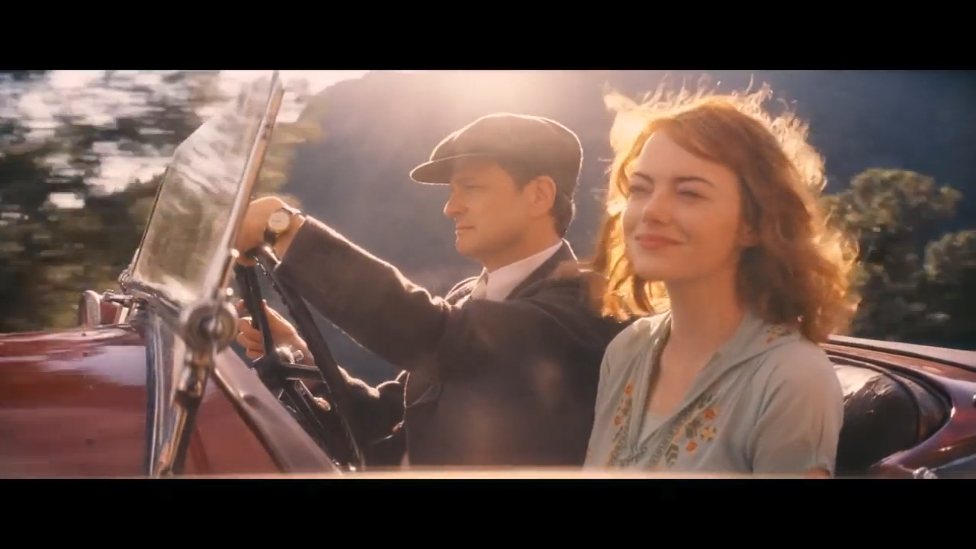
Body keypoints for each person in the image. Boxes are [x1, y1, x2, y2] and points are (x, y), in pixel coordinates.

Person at [233, 112, 630, 468]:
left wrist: (284, 229)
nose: (451, 207)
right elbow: (384, 425)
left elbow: (445, 337)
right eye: (453, 190)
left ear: (539, 195)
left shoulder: (584, 305)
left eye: (471, 187)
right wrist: (306, 363)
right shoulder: (466, 299)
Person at [581, 85, 859, 477]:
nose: (652, 211)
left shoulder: (791, 379)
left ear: (752, 224)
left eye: (689, 194)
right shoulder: (627, 350)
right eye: (641, 189)